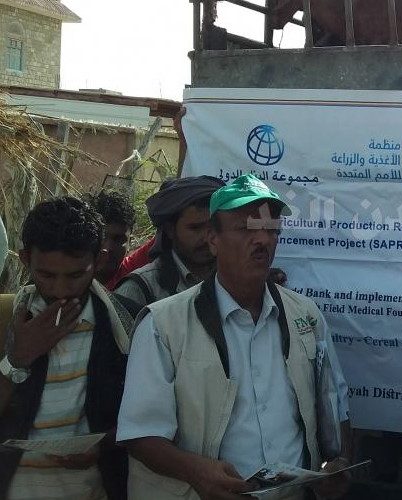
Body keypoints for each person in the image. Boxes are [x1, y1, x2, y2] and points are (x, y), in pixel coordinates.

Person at [116, 174, 351, 500]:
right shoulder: (163, 324)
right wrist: (195, 471)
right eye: (245, 228)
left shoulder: (306, 315)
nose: (262, 240)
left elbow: (335, 406)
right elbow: (140, 434)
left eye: (270, 229)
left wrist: (337, 464)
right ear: (213, 239)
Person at [0, 197, 133, 499]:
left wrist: (103, 445)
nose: (60, 290)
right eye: (46, 275)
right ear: (24, 259)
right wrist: (17, 360)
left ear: (99, 260)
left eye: (75, 275)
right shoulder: (6, 319)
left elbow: (148, 419)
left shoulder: (128, 324)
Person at [114, 175, 224, 309]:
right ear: (170, 230)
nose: (207, 238)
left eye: (213, 227)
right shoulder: (139, 289)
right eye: (195, 228)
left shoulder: (236, 278)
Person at [86, 190, 137, 289]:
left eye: (118, 240)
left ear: (129, 242)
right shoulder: (62, 274)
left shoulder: (133, 276)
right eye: (101, 237)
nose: (107, 248)